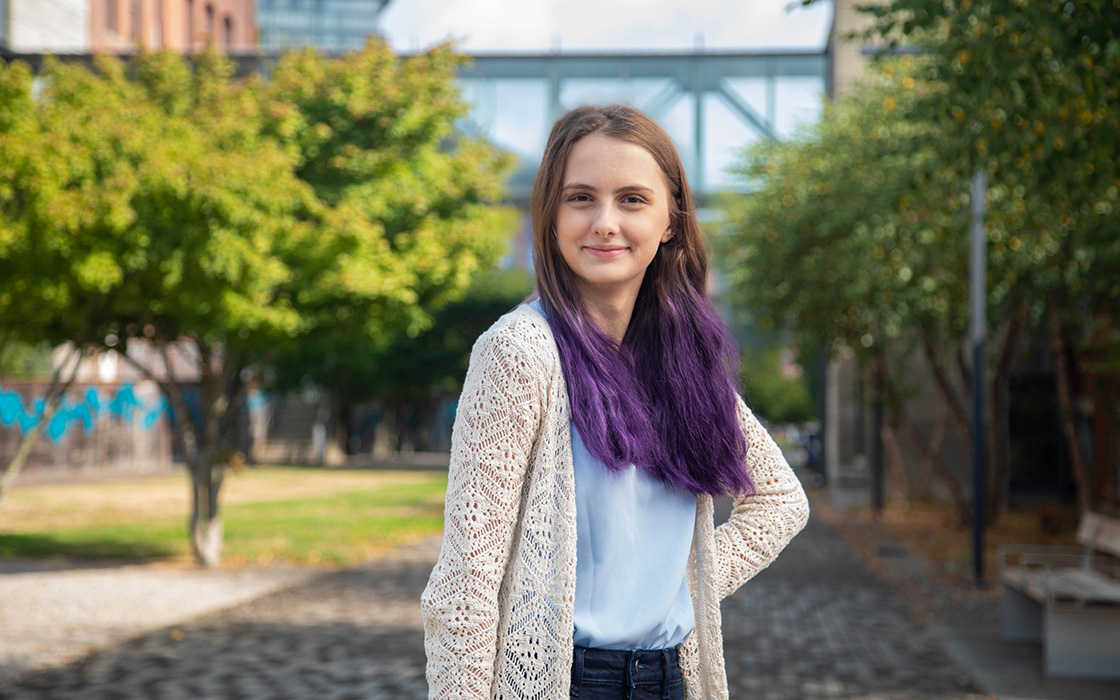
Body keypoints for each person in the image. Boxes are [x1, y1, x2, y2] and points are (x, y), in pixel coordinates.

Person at [420, 104, 809, 700]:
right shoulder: (520, 352)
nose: (605, 222)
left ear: (671, 221)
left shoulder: (684, 357)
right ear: (550, 216)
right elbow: (466, 585)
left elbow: (780, 502)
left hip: (671, 679)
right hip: (560, 679)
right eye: (580, 198)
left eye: (632, 199)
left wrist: (685, 586)